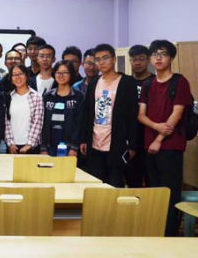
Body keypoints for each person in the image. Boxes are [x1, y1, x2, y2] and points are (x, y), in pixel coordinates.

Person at [139, 40, 191, 237]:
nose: (158, 58)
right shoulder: (147, 84)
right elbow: (141, 115)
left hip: (170, 146)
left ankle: (168, 235)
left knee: (169, 193)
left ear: (171, 58)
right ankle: (154, 232)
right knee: (153, 191)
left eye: (163, 54)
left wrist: (158, 139)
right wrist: (156, 127)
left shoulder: (180, 82)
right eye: (154, 54)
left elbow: (176, 115)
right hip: (149, 146)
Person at [79, 43, 139, 188]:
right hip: (95, 142)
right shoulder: (94, 83)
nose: (101, 62)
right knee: (96, 185)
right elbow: (87, 113)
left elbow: (133, 116)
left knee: (115, 185)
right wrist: (84, 139)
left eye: (105, 58)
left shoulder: (127, 82)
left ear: (114, 59)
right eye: (97, 59)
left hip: (117, 143)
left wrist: (132, 145)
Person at [41, 61, 84, 157]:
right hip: (49, 146)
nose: (61, 75)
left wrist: (74, 147)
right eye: (58, 72)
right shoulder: (47, 96)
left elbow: (80, 124)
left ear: (71, 74)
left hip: (69, 147)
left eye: (65, 72)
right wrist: (43, 148)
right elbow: (42, 123)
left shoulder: (78, 97)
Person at [126, 44, 153, 188]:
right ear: (130, 61)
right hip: (132, 139)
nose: (137, 63)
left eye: (141, 59)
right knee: (133, 180)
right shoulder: (126, 83)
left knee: (152, 179)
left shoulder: (155, 81)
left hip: (151, 136)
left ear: (148, 60)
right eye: (134, 59)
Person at [4, 64, 43, 154]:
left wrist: (29, 144)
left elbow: (38, 122)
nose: (18, 77)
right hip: (12, 147)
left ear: (26, 76)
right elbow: (6, 122)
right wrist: (10, 144)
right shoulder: (8, 97)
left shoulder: (37, 97)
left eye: (21, 74)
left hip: (31, 146)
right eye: (14, 74)